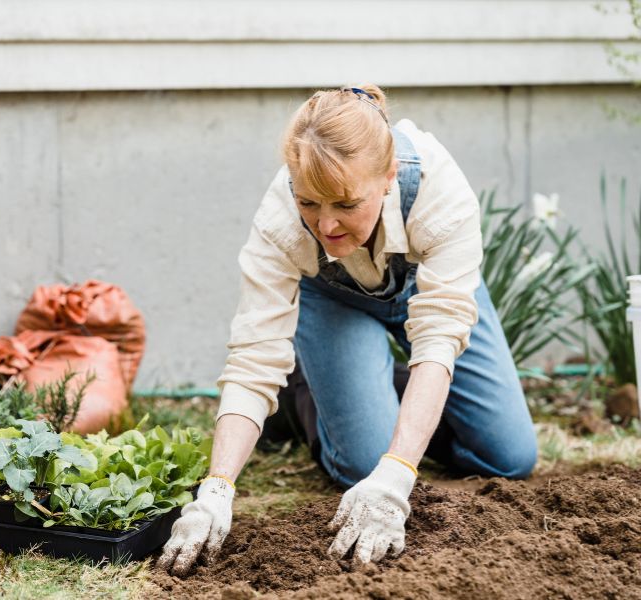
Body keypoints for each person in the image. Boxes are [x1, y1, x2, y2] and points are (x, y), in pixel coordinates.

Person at [157, 84, 537, 576]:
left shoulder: (440, 192)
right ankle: (304, 395)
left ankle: (363, 386)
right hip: (331, 299)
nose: (327, 225)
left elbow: (440, 336)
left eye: (344, 203)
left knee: (510, 457)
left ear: (387, 176)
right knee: (362, 466)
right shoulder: (279, 224)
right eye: (309, 203)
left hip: (428, 289)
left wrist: (399, 473)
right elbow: (254, 359)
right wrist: (216, 490)